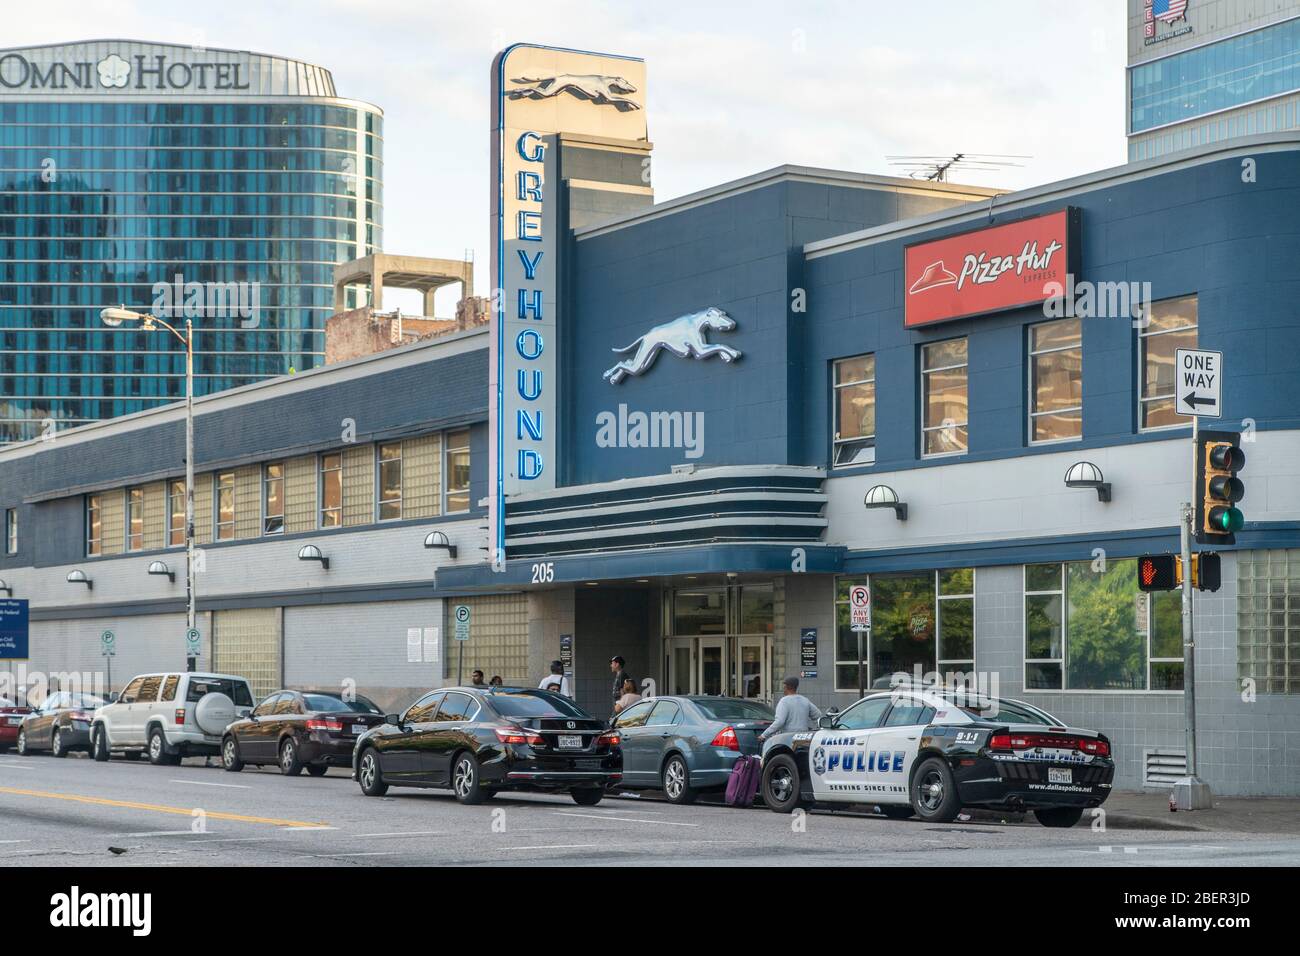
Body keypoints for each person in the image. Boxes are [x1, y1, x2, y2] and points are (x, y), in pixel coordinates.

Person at [759, 676, 823, 741]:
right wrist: (818, 730)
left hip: (787, 738)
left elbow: (779, 722)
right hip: (803, 738)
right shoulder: (805, 700)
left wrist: (764, 735)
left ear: (786, 687)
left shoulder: (784, 701)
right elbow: (818, 715)